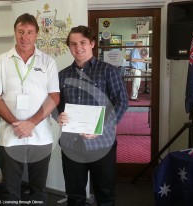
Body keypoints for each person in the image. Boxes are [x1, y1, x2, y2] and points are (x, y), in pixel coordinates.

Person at [0, 13, 60, 205]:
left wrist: (31, 123)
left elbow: (54, 97)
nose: (24, 37)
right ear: (15, 33)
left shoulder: (47, 62)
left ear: (36, 35)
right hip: (11, 135)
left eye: (29, 32)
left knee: (38, 190)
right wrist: (17, 124)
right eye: (20, 32)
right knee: (10, 190)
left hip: (41, 135)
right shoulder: (1, 61)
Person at [57, 26, 128, 206]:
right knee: (74, 196)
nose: (78, 48)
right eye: (73, 44)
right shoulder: (62, 75)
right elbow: (57, 104)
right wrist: (59, 116)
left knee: (105, 195)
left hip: (102, 144)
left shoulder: (108, 71)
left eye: (83, 43)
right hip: (72, 145)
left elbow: (121, 101)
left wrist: (102, 127)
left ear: (92, 44)